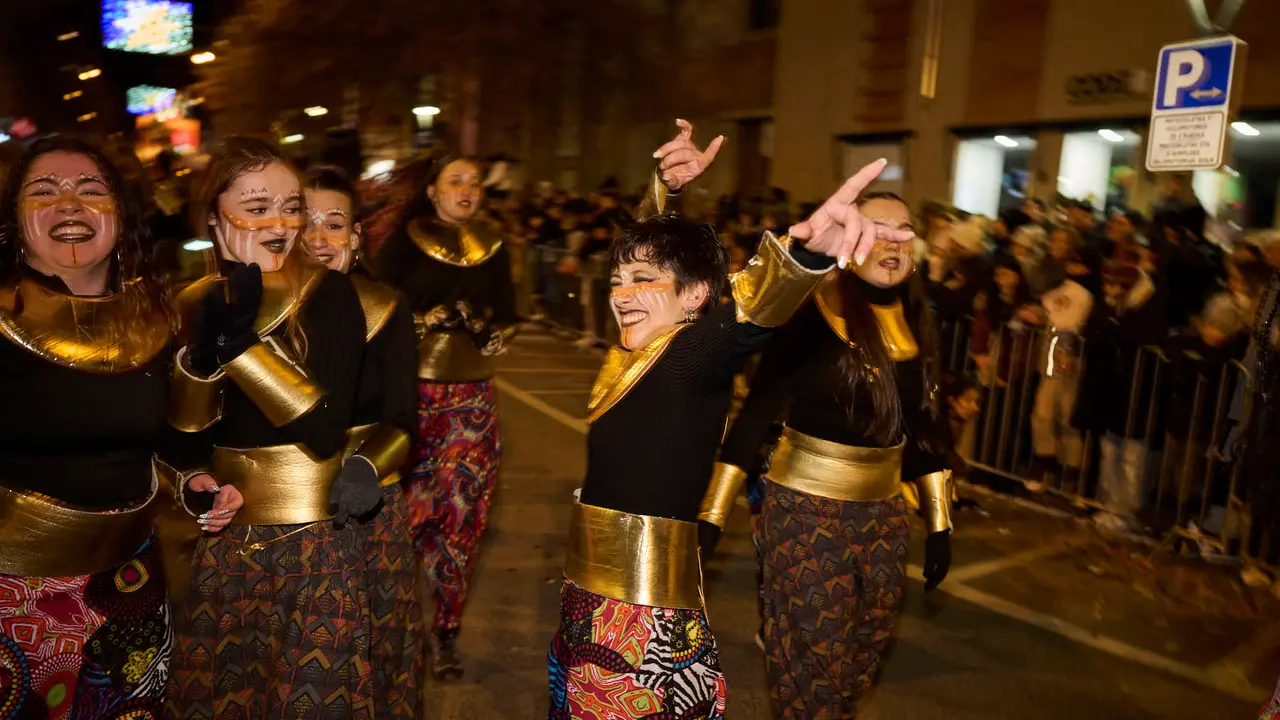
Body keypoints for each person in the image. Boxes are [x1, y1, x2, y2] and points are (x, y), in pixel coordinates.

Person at [548, 130, 907, 719]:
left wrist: (806, 255)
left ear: (695, 298)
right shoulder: (631, 355)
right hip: (586, 608)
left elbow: (748, 313)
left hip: (643, 633)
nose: (622, 294)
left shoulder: (690, 358)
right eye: (616, 282)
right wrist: (662, 193)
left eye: (642, 283)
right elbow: (648, 259)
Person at [0, 136, 239, 716]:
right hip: (13, 597)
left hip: (131, 588)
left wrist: (195, 485)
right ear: (12, 221)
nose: (70, 205)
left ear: (121, 216)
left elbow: (171, 447)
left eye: (90, 190)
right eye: (45, 191)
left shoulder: (156, 318)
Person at [709, 191, 952, 718]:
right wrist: (712, 514)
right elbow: (756, 413)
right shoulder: (813, 310)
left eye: (904, 230)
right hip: (804, 511)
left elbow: (923, 427)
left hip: (885, 516)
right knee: (814, 669)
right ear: (852, 238)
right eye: (878, 228)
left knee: (860, 659)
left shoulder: (919, 321)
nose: (893, 242)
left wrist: (940, 523)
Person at [165, 138, 378, 717]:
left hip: (314, 546)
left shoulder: (330, 293)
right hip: (225, 548)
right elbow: (182, 444)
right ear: (214, 216)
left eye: (291, 206)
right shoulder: (191, 301)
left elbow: (326, 430)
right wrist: (196, 481)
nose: (281, 223)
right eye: (257, 207)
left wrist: (242, 350)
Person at [374, 153, 519, 679]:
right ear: (432, 191)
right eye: (455, 181)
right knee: (404, 518)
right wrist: (422, 320)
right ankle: (388, 629)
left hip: (472, 400)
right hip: (411, 394)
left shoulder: (495, 245)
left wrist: (486, 328)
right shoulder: (404, 241)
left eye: (475, 182)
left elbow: (509, 319)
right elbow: (376, 310)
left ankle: (447, 633)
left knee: (460, 516)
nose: (467, 190)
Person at [303, 165, 423, 717]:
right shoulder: (251, 307)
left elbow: (402, 417)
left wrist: (367, 468)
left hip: (366, 513)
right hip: (279, 512)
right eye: (306, 222)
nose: (319, 237)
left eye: (335, 223)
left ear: (355, 237)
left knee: (373, 656)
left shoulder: (385, 306)